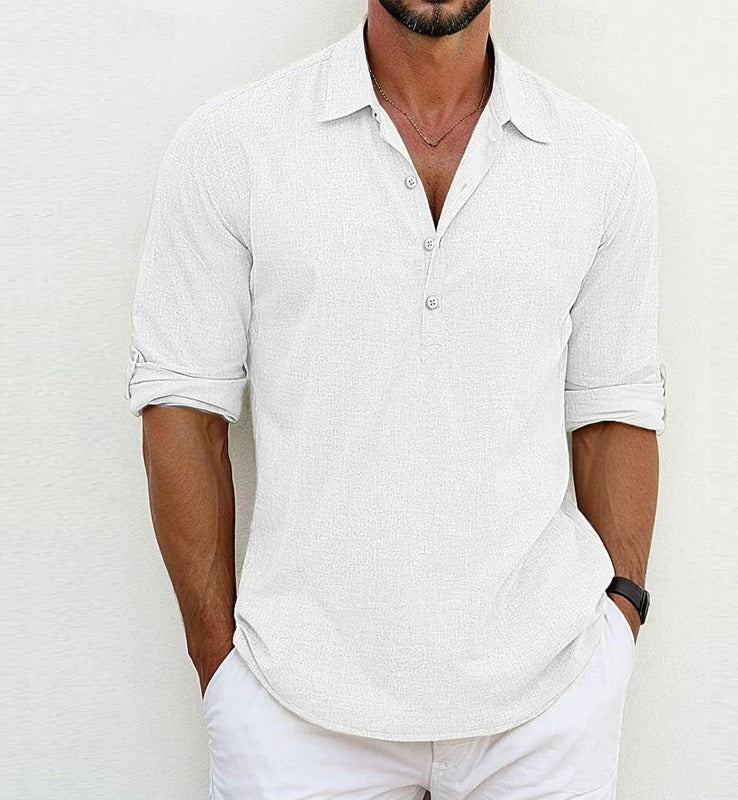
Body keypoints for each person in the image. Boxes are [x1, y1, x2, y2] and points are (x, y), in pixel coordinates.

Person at [125, 2, 667, 797]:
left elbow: (615, 406)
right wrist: (221, 673)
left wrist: (618, 629)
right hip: (295, 708)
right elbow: (181, 406)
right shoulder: (234, 144)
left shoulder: (598, 158)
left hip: (548, 707)